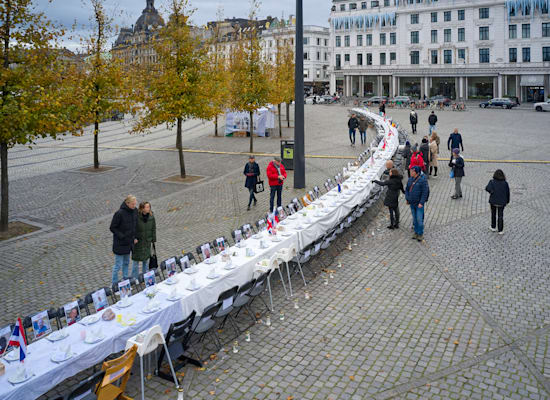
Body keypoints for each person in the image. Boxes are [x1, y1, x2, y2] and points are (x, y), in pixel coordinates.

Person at [110, 195, 138, 284]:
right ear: (127, 203)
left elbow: (135, 226)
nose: (134, 206)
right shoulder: (119, 213)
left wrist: (135, 237)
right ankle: (114, 284)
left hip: (129, 243)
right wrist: (122, 236)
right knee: (117, 266)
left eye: (135, 204)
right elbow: (112, 228)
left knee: (126, 263)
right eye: (133, 204)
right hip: (120, 243)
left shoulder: (135, 211)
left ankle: (125, 280)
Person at [131, 201, 156, 280]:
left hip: (147, 242)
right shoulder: (136, 217)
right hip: (138, 242)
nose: (149, 208)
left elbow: (153, 228)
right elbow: (132, 229)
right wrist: (134, 238)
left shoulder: (151, 217)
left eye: (149, 207)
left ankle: (145, 277)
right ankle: (134, 279)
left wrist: (153, 239)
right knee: (136, 262)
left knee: (145, 261)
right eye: (147, 207)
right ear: (142, 208)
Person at [406, 166, 430, 242]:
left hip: (419, 204)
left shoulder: (422, 181)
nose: (410, 172)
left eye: (412, 171)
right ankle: (416, 232)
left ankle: (420, 234)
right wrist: (407, 198)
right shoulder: (410, 179)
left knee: (419, 219)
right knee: (415, 219)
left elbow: (425, 192)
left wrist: (421, 202)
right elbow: (407, 189)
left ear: (416, 172)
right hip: (412, 203)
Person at [485, 169, 510, 234]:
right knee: (500, 215)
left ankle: (493, 227)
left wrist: (492, 191)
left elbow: (487, 188)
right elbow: (507, 193)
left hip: (493, 201)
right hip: (502, 202)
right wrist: (507, 201)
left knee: (493, 214)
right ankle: (500, 230)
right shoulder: (505, 183)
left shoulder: (492, 181)